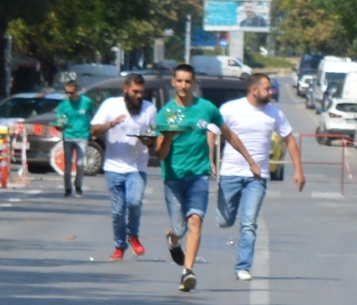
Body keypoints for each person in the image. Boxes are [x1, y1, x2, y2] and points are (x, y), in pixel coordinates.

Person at [156, 64, 260, 292]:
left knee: (195, 222)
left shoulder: (207, 108)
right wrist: (169, 137)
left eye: (188, 81)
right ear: (173, 83)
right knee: (179, 228)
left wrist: (250, 161)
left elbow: (229, 135)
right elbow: (159, 154)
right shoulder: (165, 113)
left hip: (199, 176)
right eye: (180, 81)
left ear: (194, 83)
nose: (184, 86)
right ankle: (172, 239)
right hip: (173, 178)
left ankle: (187, 272)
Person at [216, 73, 305, 281]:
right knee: (224, 221)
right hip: (230, 173)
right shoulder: (230, 109)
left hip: (257, 177)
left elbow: (290, 142)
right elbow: (212, 132)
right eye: (267, 88)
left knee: (249, 222)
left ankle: (243, 267)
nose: (271, 92)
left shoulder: (274, 114)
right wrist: (209, 159)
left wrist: (299, 171)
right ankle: (224, 213)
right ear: (254, 90)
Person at [90, 74, 157, 260]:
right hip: (113, 166)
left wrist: (147, 140)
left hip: (137, 166)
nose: (139, 96)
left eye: (142, 93)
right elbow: (93, 130)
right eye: (135, 92)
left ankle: (133, 235)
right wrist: (111, 124)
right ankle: (120, 245)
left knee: (134, 203)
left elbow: (154, 136)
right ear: (125, 89)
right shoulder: (110, 105)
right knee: (118, 211)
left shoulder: (149, 109)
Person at [55, 80, 95, 198]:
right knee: (67, 165)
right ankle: (67, 188)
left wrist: (93, 130)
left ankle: (78, 185)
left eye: (71, 92)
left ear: (77, 90)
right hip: (68, 136)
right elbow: (59, 119)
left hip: (82, 136)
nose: (68, 95)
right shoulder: (64, 104)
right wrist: (60, 125)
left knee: (80, 163)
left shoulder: (86, 102)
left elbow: (94, 116)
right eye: (66, 92)